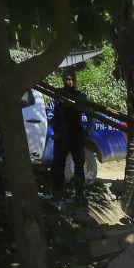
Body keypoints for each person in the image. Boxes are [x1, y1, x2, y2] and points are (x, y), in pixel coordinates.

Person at [50, 68, 87, 197]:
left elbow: (90, 114)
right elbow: (51, 113)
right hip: (61, 135)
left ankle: (79, 195)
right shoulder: (58, 94)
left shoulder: (80, 96)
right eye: (67, 79)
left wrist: (87, 130)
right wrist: (56, 129)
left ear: (75, 80)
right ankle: (57, 193)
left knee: (79, 166)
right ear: (63, 80)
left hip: (76, 135)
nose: (69, 82)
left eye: (71, 79)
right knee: (58, 165)